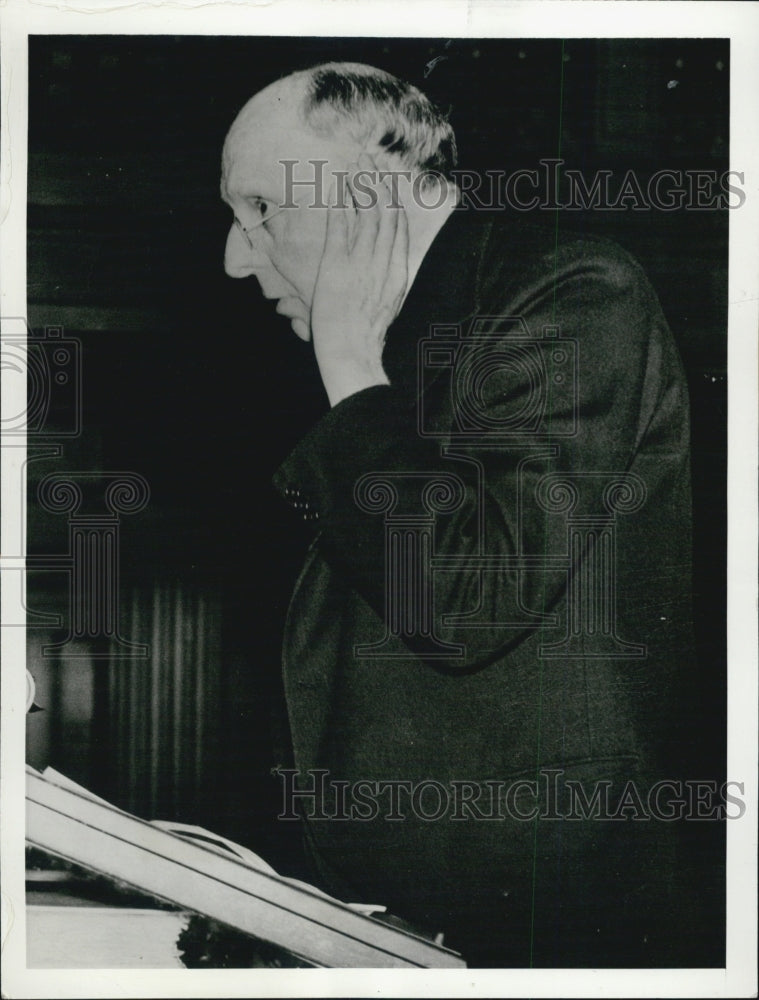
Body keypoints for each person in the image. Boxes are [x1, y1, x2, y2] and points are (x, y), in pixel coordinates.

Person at [222, 62, 704, 967]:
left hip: (535, 911)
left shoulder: (572, 289)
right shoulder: (410, 338)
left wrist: (350, 367)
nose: (235, 255)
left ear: (366, 191)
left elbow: (463, 598)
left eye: (258, 209)